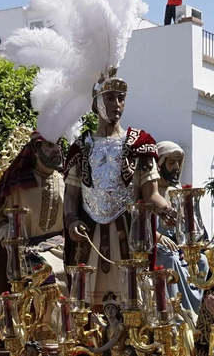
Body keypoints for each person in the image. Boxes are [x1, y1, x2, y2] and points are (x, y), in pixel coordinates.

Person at [63, 73, 163, 302]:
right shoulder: (81, 147)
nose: (116, 104)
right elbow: (71, 194)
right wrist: (70, 220)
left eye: (121, 98)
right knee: (85, 300)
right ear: (96, 102)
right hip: (89, 233)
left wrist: (169, 209)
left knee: (133, 297)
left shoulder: (140, 144)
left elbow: (152, 194)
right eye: (109, 98)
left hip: (129, 232)